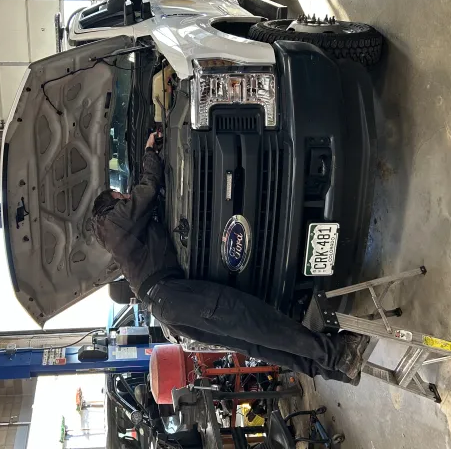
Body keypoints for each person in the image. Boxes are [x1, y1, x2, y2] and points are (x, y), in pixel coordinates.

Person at [91, 130, 369, 383]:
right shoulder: (112, 222)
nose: (126, 196)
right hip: (172, 296)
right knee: (252, 321)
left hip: (169, 307)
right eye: (121, 195)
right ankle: (338, 355)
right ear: (111, 201)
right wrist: (150, 154)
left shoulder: (115, 235)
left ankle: (334, 369)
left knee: (254, 342)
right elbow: (148, 189)